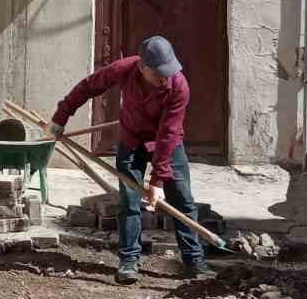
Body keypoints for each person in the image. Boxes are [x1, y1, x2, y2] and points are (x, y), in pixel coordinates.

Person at [48, 36, 220, 285]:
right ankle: (129, 261)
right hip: (131, 140)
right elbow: (88, 86)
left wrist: (158, 180)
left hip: (167, 143)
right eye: (159, 73)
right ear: (143, 67)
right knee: (129, 202)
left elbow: (168, 133)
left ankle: (194, 261)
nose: (164, 78)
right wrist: (60, 118)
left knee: (182, 200)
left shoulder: (179, 86)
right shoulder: (125, 69)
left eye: (168, 71)